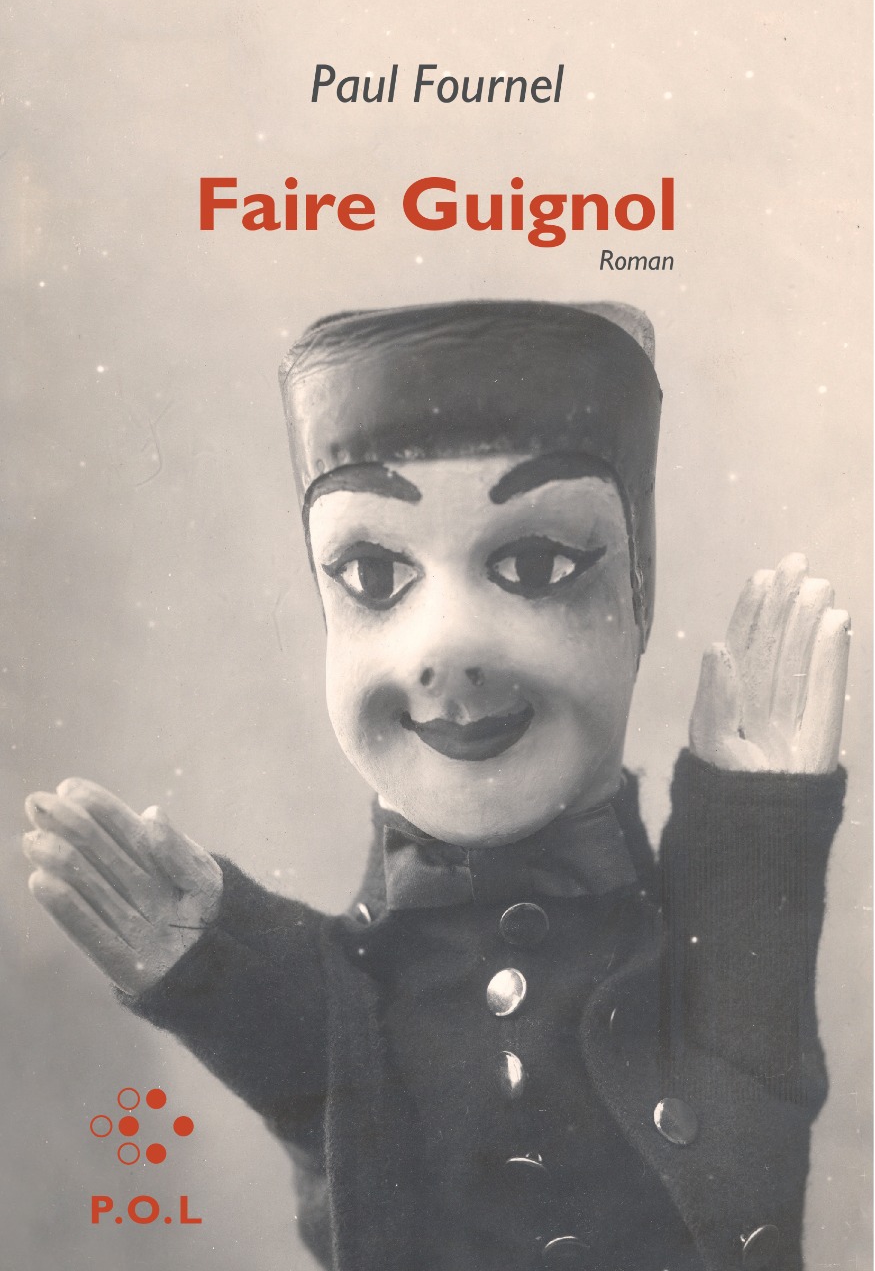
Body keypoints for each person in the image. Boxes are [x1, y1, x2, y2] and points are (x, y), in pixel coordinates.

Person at [22, 301, 850, 1270]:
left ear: (636, 600)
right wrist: (222, 968)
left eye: (535, 563)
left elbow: (752, 1079)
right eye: (373, 574)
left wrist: (753, 833)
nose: (446, 646)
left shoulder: (689, 949)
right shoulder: (355, 990)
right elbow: (332, 1093)